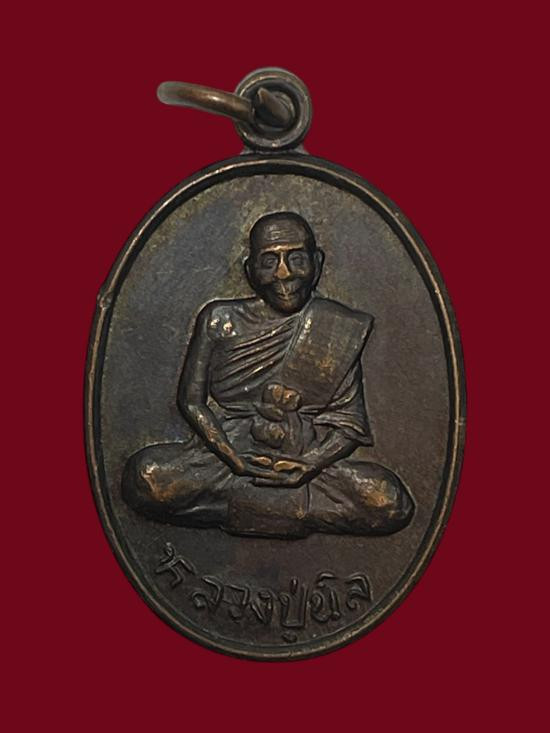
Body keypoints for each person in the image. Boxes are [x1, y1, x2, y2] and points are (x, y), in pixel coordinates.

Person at [122, 212, 413, 538]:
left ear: (317, 263)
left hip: (304, 461)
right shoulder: (219, 319)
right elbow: (191, 402)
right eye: (269, 262)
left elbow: (349, 424)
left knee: (389, 502)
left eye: (297, 259)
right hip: (228, 456)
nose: (284, 274)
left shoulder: (337, 328)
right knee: (144, 479)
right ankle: (290, 512)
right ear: (249, 270)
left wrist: (309, 465)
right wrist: (231, 457)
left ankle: (242, 506)